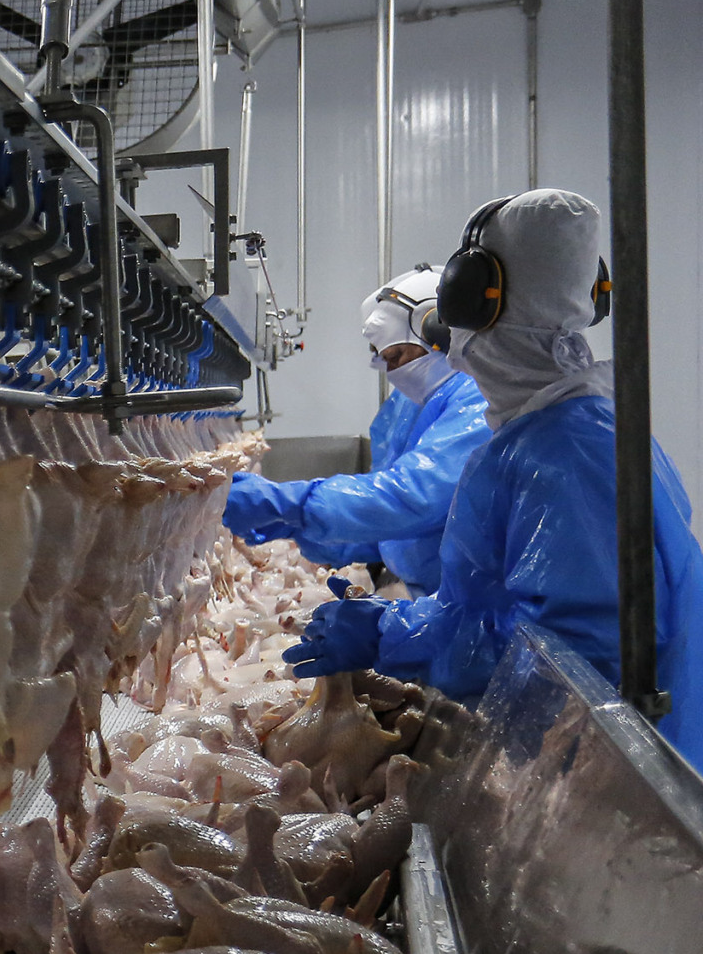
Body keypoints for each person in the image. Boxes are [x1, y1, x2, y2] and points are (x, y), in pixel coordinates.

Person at [285, 190, 703, 766]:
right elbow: (509, 603)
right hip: (594, 762)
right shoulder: (560, 430)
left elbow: (573, 664)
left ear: (470, 303)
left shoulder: (566, 454)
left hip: (615, 779)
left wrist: (397, 635)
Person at [221, 267, 492, 591]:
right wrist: (299, 528)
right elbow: (390, 530)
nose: (393, 371)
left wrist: (293, 504)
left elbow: (412, 498)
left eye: (396, 356)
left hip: (473, 602)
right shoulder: (416, 402)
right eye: (386, 361)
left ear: (439, 334)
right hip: (435, 596)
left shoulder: (479, 400)